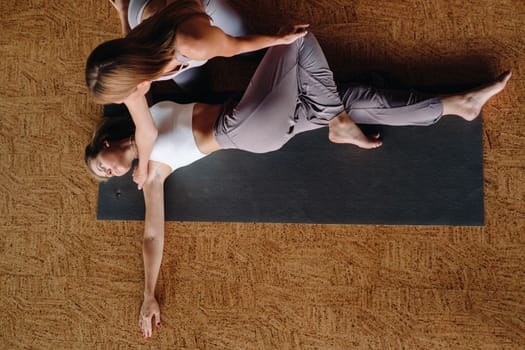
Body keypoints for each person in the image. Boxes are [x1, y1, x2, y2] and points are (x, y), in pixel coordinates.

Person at [85, 31, 511, 338]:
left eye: (101, 169)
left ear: (104, 144)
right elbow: (153, 234)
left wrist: (125, 14)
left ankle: (459, 106)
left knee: (357, 98)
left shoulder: (148, 116)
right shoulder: (153, 173)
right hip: (245, 127)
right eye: (107, 177)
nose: (111, 175)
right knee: (295, 39)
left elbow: (132, 79)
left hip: (256, 110)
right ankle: (338, 122)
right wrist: (148, 294)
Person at [87, 0, 309, 191]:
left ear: (142, 82)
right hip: (140, 12)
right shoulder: (132, 63)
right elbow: (146, 131)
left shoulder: (195, 42)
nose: (122, 101)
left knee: (254, 53)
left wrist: (279, 39)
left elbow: (235, 45)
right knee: (199, 93)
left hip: (192, 20)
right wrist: (143, 167)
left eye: (122, 96)